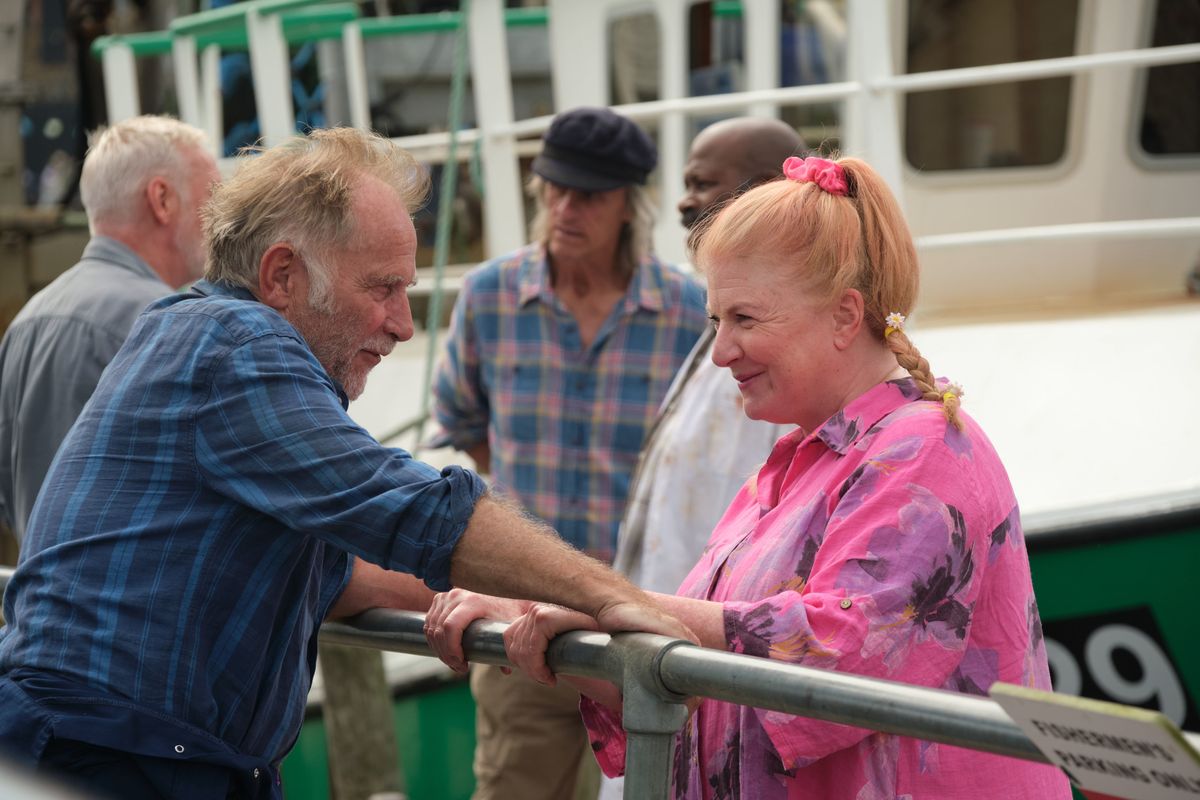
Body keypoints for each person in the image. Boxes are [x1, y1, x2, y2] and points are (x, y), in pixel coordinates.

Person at [0, 127, 692, 800]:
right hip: (113, 756)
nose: (403, 322)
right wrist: (614, 601)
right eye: (383, 288)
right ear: (282, 275)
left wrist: (512, 603)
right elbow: (418, 512)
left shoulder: (193, 330)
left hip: (125, 749)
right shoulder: (237, 346)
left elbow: (338, 571)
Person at [429, 154, 1073, 799]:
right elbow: (696, 677)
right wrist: (536, 619)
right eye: (716, 321)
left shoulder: (927, 450)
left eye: (745, 319)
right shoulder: (795, 464)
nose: (719, 351)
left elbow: (841, 647)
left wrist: (599, 605)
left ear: (847, 316)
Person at [431, 106, 709, 800]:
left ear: (628, 205)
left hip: (637, 617)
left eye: (587, 195)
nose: (564, 207)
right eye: (553, 189)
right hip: (519, 622)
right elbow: (461, 415)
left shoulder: (686, 310)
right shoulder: (489, 295)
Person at [0, 115, 220, 544]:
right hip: (138, 604)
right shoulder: (163, 321)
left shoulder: (27, 319)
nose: (219, 220)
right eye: (212, 197)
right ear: (162, 199)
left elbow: (9, 492)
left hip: (40, 600)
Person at [614, 116, 805, 597]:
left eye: (701, 184)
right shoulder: (722, 319)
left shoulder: (799, 340)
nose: (684, 203)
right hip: (676, 634)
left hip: (726, 643)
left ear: (762, 190)